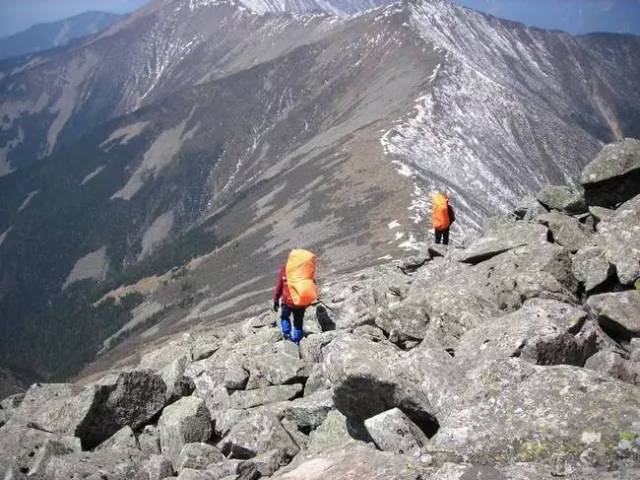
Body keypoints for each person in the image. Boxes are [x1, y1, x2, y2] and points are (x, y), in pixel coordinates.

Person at [273, 264, 305, 344]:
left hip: (287, 301)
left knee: (284, 317)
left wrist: (276, 300)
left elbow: (279, 287)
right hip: (299, 302)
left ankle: (287, 334)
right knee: (298, 320)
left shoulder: (284, 269)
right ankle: (297, 340)